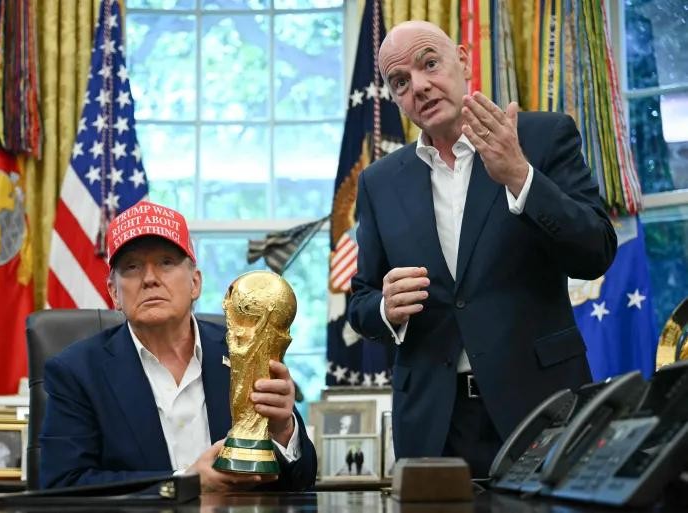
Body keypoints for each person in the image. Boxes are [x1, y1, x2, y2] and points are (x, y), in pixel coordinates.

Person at [347, 20, 617, 479]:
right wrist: (385, 309)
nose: (420, 86)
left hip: (541, 404)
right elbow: (361, 301)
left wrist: (521, 177)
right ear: (395, 98)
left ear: (463, 60)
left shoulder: (543, 137)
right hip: (434, 422)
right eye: (401, 81)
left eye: (430, 64)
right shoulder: (379, 181)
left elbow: (596, 251)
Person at [39, 200, 317, 491]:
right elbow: (62, 487)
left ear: (195, 283)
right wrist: (184, 483)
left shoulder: (245, 349)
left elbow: (302, 482)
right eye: (132, 267)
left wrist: (283, 431)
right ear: (114, 293)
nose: (149, 279)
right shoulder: (77, 372)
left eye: (166, 263)